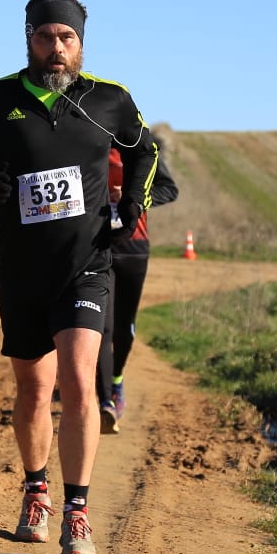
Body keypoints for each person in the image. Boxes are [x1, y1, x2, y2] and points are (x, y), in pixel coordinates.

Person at [0, 0, 160, 554]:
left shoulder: (109, 100)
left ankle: (77, 512)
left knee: (79, 383)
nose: (56, 48)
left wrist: (134, 201)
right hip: (21, 268)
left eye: (67, 38)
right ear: (29, 40)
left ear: (81, 44)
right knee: (34, 389)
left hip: (88, 265)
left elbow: (145, 151)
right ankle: (36, 492)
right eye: (45, 37)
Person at [96, 144, 178, 434]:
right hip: (97, 247)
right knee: (101, 328)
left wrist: (136, 198)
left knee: (123, 328)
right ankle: (105, 403)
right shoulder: (87, 140)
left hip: (134, 249)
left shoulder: (141, 147)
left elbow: (169, 189)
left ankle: (116, 379)